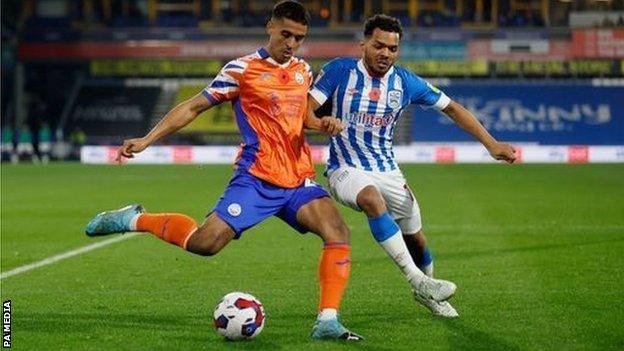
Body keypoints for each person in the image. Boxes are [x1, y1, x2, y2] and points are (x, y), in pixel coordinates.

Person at [87, 1, 384, 341]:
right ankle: (134, 219)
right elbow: (194, 106)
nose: (290, 43)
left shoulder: (303, 70)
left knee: (337, 231)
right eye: (285, 34)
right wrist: (148, 139)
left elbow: (303, 119)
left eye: (298, 38)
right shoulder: (241, 69)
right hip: (256, 179)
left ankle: (327, 321)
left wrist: (323, 123)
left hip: (298, 180)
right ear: (269, 27)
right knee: (205, 243)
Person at [306, 14, 516, 318]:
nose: (385, 54)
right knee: (370, 199)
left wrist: (492, 145)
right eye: (379, 46)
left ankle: (429, 291)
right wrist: (321, 123)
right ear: (363, 44)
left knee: (416, 237)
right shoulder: (340, 71)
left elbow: (453, 109)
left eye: (392, 48)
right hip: (344, 168)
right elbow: (305, 111)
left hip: (388, 170)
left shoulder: (404, 82)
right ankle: (417, 281)